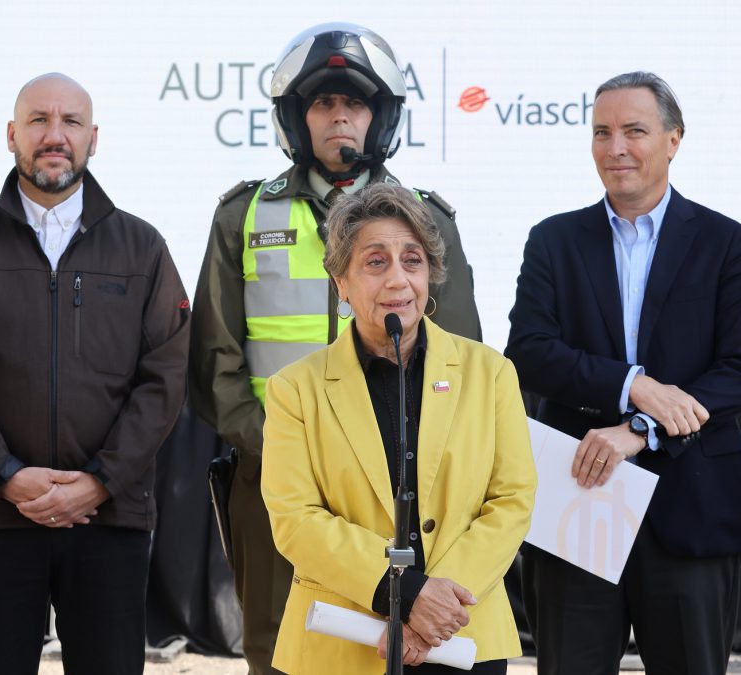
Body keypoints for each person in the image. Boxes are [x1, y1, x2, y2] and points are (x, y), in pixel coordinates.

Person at [189, 22, 482, 674]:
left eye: (354, 103)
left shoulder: (428, 221)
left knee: (401, 651)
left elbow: (461, 367)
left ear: (380, 117)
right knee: (281, 650)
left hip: (401, 487)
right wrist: (288, 452)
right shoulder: (242, 216)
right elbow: (215, 360)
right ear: (299, 117)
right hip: (274, 484)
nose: (339, 117)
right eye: (323, 104)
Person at [505, 71, 741, 675]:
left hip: (692, 506)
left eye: (633, 130)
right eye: (601, 132)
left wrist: (641, 426)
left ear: (674, 140)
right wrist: (632, 384)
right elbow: (530, 349)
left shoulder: (726, 242)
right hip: (580, 502)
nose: (615, 147)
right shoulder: (553, 241)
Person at [0, 73, 190, 674]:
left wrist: (100, 481)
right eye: (38, 120)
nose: (54, 135)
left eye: (70, 122)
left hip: (108, 521)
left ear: (93, 138)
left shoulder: (143, 248)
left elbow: (165, 379)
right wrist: (6, 475)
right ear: (11, 135)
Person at [259, 183, 534, 674]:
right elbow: (295, 520)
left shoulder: (491, 373)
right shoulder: (294, 389)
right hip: (343, 640)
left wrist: (434, 609)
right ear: (341, 281)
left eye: (412, 260)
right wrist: (404, 594)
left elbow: (511, 501)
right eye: (375, 261)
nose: (398, 280)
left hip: (461, 633)